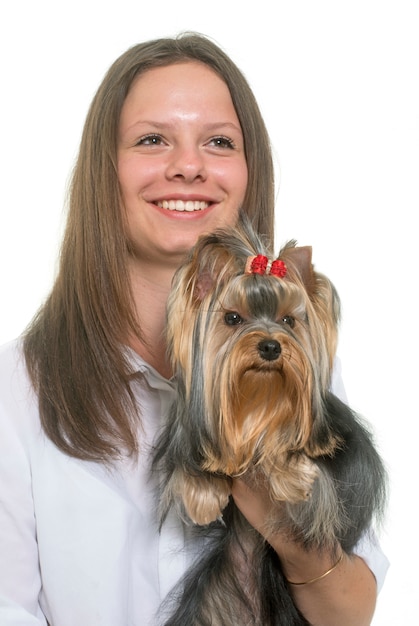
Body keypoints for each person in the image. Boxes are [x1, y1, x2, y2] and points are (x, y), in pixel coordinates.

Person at [0, 32, 388, 625]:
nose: (188, 166)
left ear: (247, 169)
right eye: (153, 139)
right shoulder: (20, 388)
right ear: (105, 169)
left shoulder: (293, 361)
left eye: (219, 142)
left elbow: (349, 615)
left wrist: (283, 523)